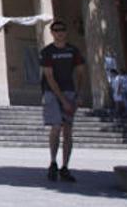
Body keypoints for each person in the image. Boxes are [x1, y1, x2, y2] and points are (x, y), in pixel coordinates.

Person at [40, 19, 86, 182]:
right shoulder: (47, 52)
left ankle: (65, 166)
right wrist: (63, 100)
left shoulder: (73, 50)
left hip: (69, 91)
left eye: (62, 29)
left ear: (65, 32)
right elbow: (49, 77)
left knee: (68, 130)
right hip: (52, 93)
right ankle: (53, 162)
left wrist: (78, 94)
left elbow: (80, 73)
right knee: (56, 126)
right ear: (52, 33)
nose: (59, 32)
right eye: (56, 30)